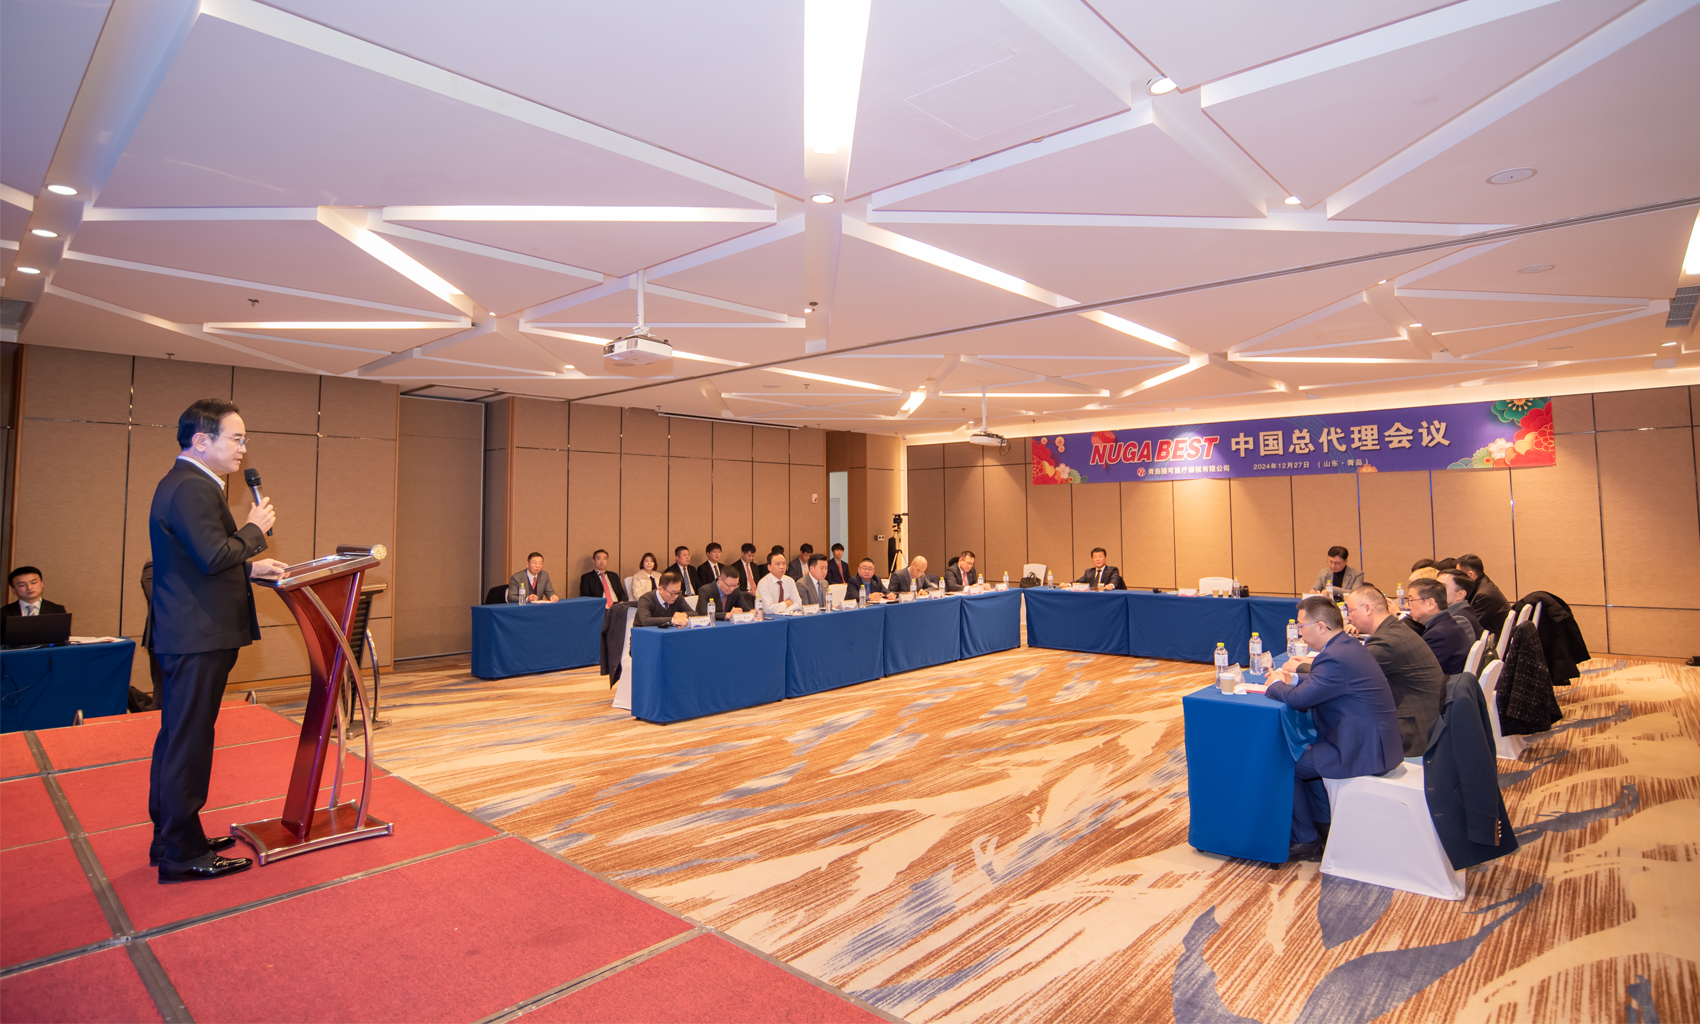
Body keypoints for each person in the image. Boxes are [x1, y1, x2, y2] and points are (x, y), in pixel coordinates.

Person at [147, 398, 288, 884]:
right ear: (201, 440)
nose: (243, 449)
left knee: (178, 738)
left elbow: (196, 561)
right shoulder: (191, 486)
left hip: (190, 632)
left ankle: (171, 838)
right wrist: (254, 530)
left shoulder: (187, 482)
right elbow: (211, 556)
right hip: (196, 635)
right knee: (188, 743)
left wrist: (250, 567)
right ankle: (181, 853)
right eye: (237, 438)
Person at [1265, 596, 1404, 862]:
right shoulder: (1346, 646)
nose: (1299, 632)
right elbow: (1326, 681)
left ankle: (1306, 840)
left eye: (1301, 626)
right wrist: (1293, 678)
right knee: (1305, 754)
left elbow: (1299, 700)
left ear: (1320, 626)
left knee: (1284, 764)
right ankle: (1323, 824)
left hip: (1361, 751)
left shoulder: (1334, 657)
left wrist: (1275, 685)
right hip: (1372, 742)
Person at [1344, 586, 1446, 758]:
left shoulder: (1387, 641)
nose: (1348, 617)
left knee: (1344, 732)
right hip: (1428, 722)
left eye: (1351, 611)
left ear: (1368, 609)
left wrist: (1301, 668)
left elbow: (1347, 673)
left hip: (1414, 734)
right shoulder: (1394, 629)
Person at [1405, 577, 1470, 674]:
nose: (1407, 606)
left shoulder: (1438, 635)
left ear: (1430, 604)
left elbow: (1421, 674)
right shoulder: (1447, 624)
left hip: (1444, 682)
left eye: (1411, 600)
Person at [1458, 554, 1511, 625]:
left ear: (1470, 574)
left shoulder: (1483, 595)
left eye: (1459, 574)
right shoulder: (1485, 584)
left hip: (1492, 631)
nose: (1457, 578)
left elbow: (1472, 626)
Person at [1441, 570, 1484, 640]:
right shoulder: (1465, 611)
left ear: (1460, 594)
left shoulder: (1458, 620)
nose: (1435, 591)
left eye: (1442, 587)